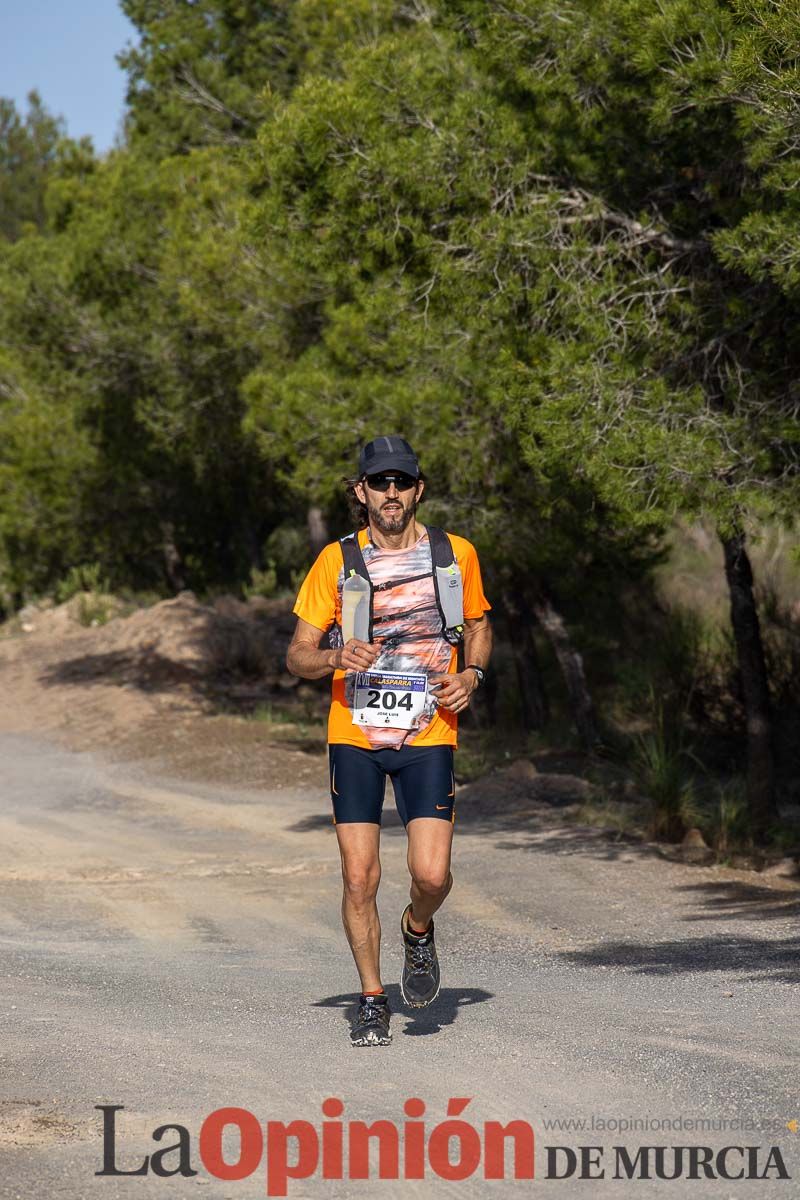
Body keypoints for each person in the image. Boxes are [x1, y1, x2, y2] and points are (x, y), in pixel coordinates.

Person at [286, 436, 492, 1046]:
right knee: (359, 877)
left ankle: (418, 928)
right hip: (354, 732)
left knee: (431, 875)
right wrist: (332, 655)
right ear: (361, 492)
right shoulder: (336, 562)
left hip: (430, 729)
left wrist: (471, 676)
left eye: (402, 481)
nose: (391, 493)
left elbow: (478, 627)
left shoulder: (454, 555)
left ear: (418, 488)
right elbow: (296, 655)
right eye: (380, 483)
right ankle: (373, 998)